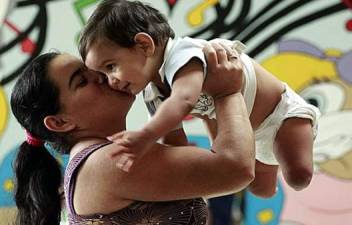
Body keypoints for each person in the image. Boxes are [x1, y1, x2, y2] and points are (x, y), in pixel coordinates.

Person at [79, 0, 321, 197]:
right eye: (101, 74)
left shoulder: (184, 56)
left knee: (298, 176)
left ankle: (289, 152)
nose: (110, 80)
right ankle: (272, 162)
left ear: (144, 44)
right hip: (252, 138)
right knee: (261, 190)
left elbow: (183, 99)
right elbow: (175, 142)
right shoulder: (152, 92)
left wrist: (145, 136)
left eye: (111, 66)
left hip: (282, 116)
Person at [10, 41, 254, 224]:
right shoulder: (108, 162)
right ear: (60, 122)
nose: (101, 75)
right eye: (82, 80)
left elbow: (189, 177)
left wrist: (161, 102)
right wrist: (227, 92)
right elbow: (236, 168)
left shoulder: (98, 161)